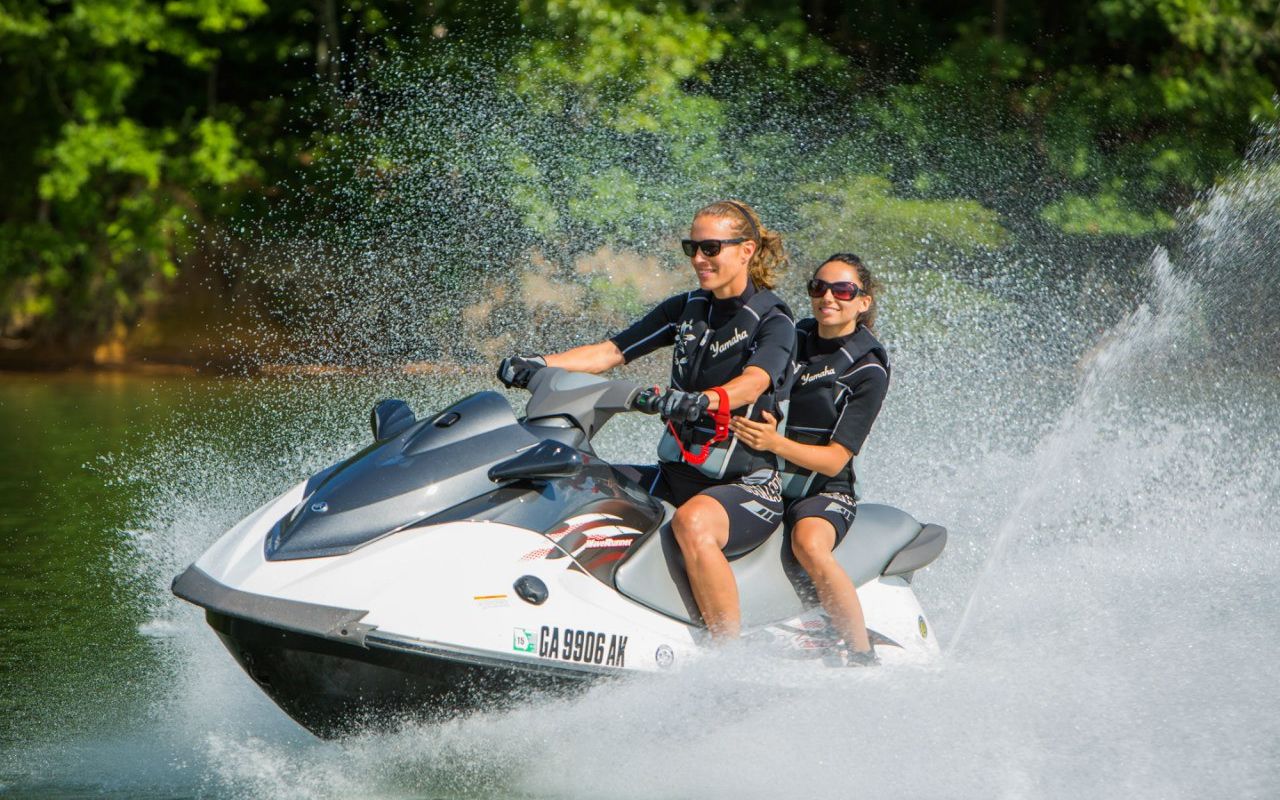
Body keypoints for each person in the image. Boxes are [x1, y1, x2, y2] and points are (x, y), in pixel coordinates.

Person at [498, 201, 795, 642]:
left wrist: (704, 401)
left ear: (746, 250)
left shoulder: (774, 319)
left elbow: (754, 382)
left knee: (693, 523)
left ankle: (728, 653)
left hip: (746, 485)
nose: (698, 258)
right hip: (676, 476)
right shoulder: (687, 308)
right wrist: (537, 364)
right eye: (691, 247)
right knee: (574, 483)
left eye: (710, 247)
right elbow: (612, 352)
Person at [729, 254, 888, 665]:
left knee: (809, 544)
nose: (828, 297)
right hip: (761, 477)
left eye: (843, 290)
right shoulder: (790, 336)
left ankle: (860, 653)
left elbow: (836, 461)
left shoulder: (868, 369)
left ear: (863, 301)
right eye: (818, 288)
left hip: (823, 490)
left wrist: (773, 443)